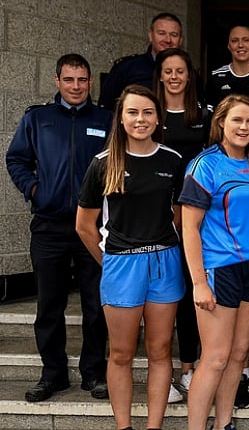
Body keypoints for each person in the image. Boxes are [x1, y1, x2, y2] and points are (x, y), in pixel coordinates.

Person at [75, 85, 185, 430]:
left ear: (157, 118)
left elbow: (178, 214)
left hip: (164, 262)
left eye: (148, 112)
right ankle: (124, 426)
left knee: (161, 350)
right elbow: (84, 226)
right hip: (121, 262)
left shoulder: (173, 160)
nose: (141, 119)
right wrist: (109, 261)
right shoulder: (103, 163)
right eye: (133, 112)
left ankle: (154, 426)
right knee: (121, 353)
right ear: (120, 119)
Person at [6, 53, 112, 403]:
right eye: (69, 80)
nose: (76, 86)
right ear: (57, 81)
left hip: (93, 228)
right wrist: (35, 189)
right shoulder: (38, 119)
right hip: (49, 226)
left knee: (95, 304)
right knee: (48, 304)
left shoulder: (106, 119)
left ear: (90, 82)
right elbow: (16, 159)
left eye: (82, 80)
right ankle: (52, 375)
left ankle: (94, 373)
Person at [181, 94, 249, 430]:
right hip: (218, 268)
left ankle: (223, 424)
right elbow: (189, 227)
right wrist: (199, 283)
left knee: (238, 355)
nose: (244, 127)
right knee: (216, 357)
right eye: (237, 120)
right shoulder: (205, 164)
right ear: (221, 122)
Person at [153, 47, 210, 402]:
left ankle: (189, 368)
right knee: (162, 296)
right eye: (168, 71)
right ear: (160, 75)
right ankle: (165, 371)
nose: (174, 77)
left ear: (189, 76)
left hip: (193, 214)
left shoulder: (202, 114)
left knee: (190, 294)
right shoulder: (149, 113)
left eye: (181, 71)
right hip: (156, 215)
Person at [100, 13, 182, 109]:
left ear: (180, 40)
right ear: (150, 36)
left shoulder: (189, 74)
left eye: (174, 35)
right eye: (161, 33)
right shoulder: (127, 68)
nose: (168, 40)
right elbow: (106, 110)